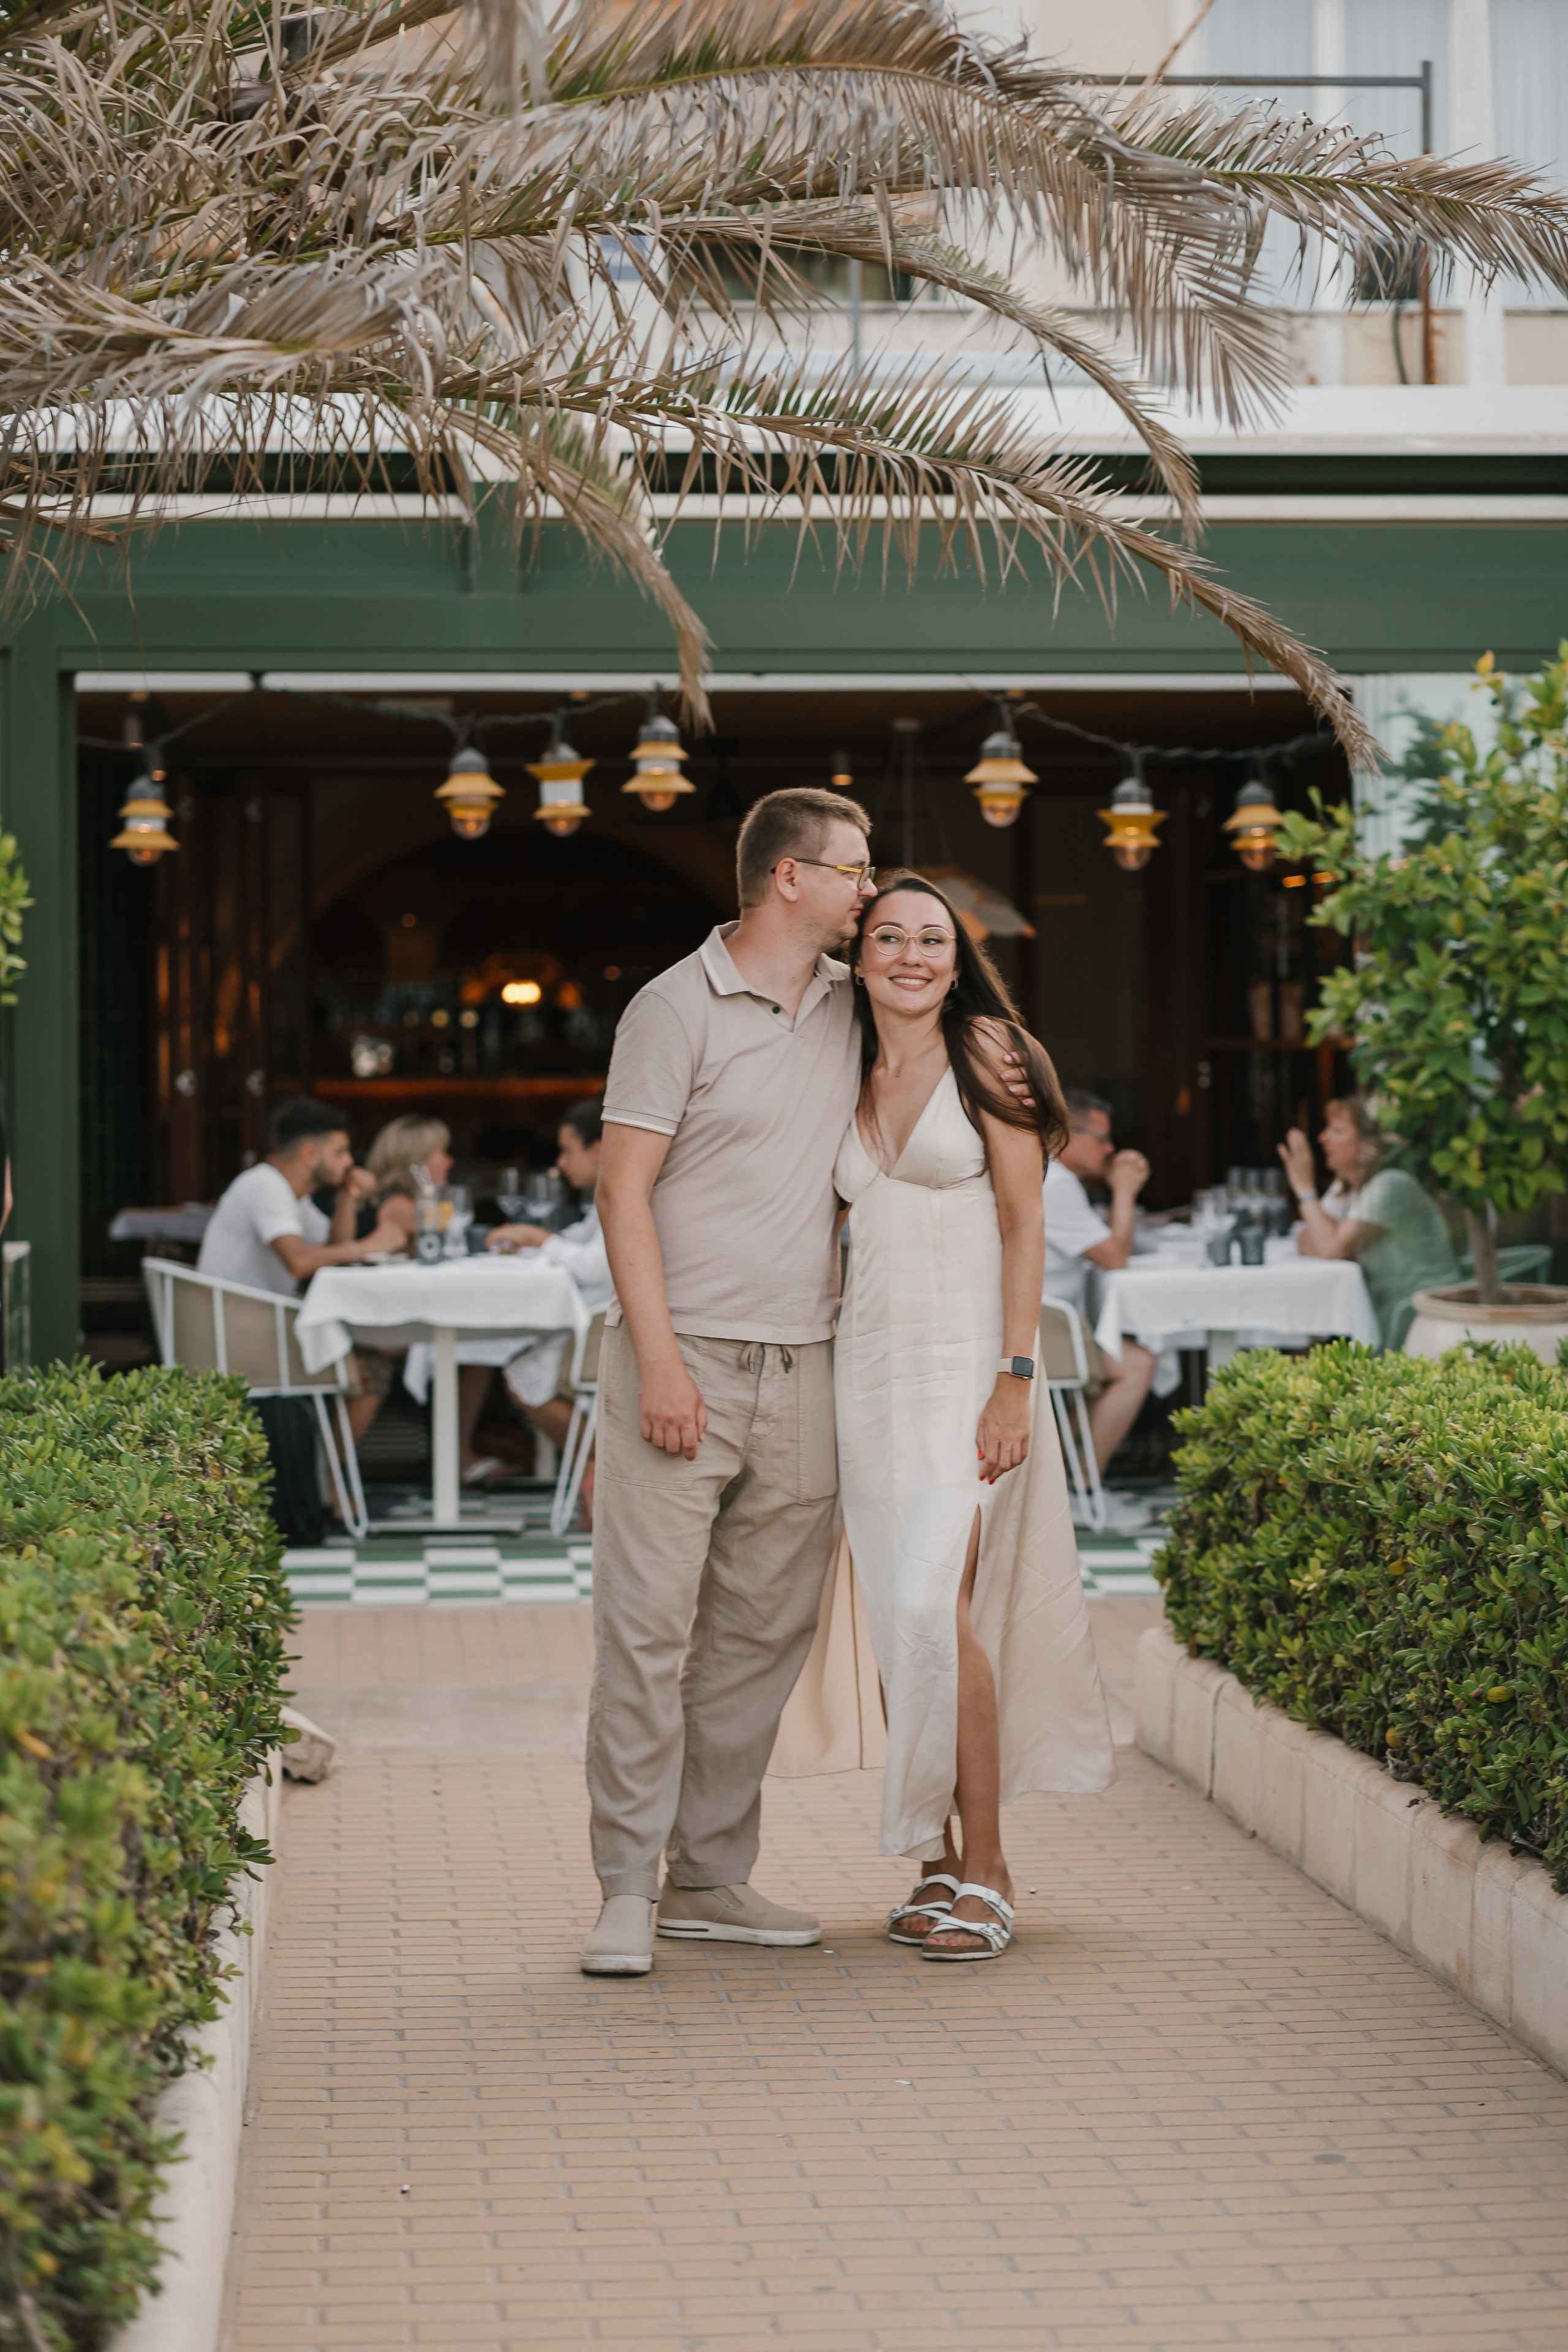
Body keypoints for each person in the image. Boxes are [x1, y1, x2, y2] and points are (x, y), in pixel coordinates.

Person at [586, 790, 1036, 1978]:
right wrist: (662, 1362)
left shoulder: (859, 1007)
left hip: (821, 1367)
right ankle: (627, 1891)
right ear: (791, 879)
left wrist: (1014, 1370)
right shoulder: (671, 1007)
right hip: (681, 1362)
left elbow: (999, 1174)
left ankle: (709, 1875)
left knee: (760, 1636)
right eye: (855, 876)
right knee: (646, 1632)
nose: (872, 896)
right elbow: (618, 1192)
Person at [831, 875, 1115, 1959]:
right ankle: (936, 1859)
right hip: (867, 1374)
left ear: (958, 960)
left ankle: (991, 1868)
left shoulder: (989, 1051)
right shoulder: (838, 1066)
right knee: (900, 1625)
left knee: (936, 1606)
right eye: (889, 936)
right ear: (858, 956)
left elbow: (1023, 1219)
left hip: (966, 1368)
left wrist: (1013, 1374)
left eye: (932, 940)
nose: (911, 954)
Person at [197, 1097, 404, 1439]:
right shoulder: (264, 1185)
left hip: (254, 1326)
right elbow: (300, 1262)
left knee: (374, 1351)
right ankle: (330, 1484)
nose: (350, 1162)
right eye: (341, 1152)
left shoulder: (293, 1196)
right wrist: (369, 1246)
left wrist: (347, 1197)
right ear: (310, 1154)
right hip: (234, 1338)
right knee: (373, 1367)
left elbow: (332, 1247)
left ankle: (324, 1479)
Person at [362, 1113, 502, 1479]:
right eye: (442, 1152)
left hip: (409, 1313)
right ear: (418, 1160)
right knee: (483, 1347)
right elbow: (455, 1246)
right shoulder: (402, 1207)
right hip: (388, 1321)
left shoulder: (414, 1203)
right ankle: (458, 1458)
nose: (449, 1161)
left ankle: (458, 1454)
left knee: (483, 1348)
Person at [1280, 1096, 1460, 1351]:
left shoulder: (1389, 1185)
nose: (1323, 1138)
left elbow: (1329, 1249)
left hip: (1417, 1317)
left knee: (1316, 1351)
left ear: (1368, 1144)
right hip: (1379, 1308)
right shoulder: (1347, 1188)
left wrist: (1304, 1188)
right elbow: (1309, 1240)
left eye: (1337, 1131)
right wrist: (1326, 1237)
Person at [488, 1101, 614, 1461]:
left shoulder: (625, 1195)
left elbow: (594, 1266)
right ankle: (596, 1475)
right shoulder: (608, 1196)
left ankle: (600, 1472)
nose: (560, 1162)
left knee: (521, 1375)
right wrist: (531, 1243)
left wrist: (538, 1239)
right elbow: (579, 1240)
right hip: (595, 1326)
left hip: (604, 1332)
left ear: (598, 1148)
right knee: (521, 1367)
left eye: (566, 1151)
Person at [1041, 1090, 1158, 1474]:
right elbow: (1115, 1258)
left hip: (1052, 1328)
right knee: (1137, 1363)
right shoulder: (1055, 1182)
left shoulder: (1054, 1175)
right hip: (1045, 1334)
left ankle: (1064, 1474)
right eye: (1102, 1139)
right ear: (1067, 1133)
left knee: (1124, 1357)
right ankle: (1086, 1481)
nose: (1110, 1149)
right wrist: (1124, 1190)